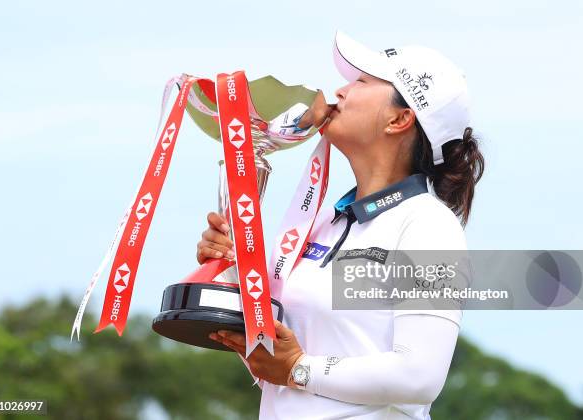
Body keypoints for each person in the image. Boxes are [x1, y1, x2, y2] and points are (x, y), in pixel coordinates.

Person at [200, 31, 484, 419]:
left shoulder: (428, 224)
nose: (341, 91)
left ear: (400, 118)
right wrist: (232, 267)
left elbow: (420, 376)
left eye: (363, 82)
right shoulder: (323, 222)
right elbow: (275, 362)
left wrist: (301, 369)